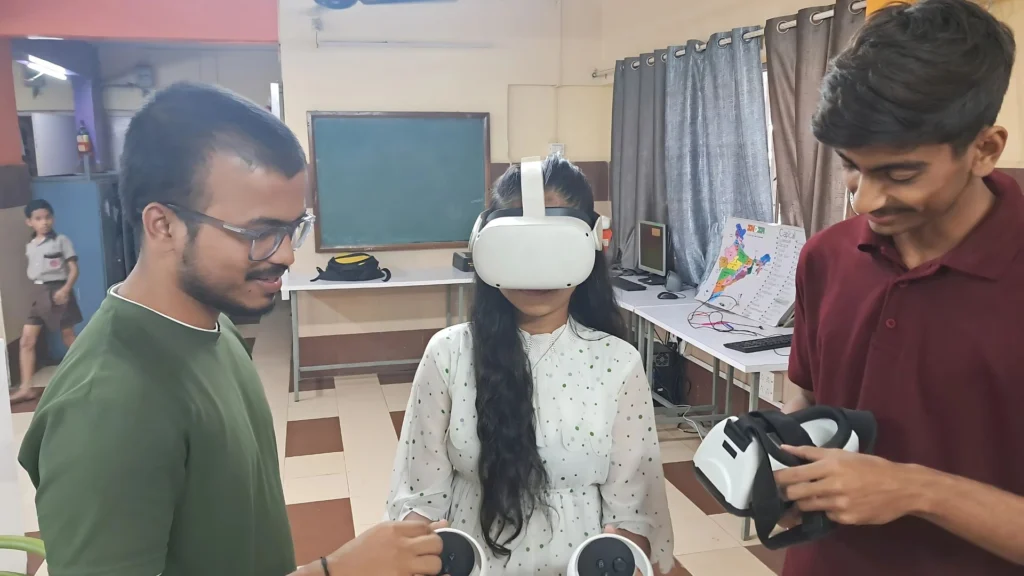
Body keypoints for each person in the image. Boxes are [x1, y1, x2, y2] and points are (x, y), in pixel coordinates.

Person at [18, 82, 443, 576]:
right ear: (163, 226)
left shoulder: (209, 325)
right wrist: (333, 571)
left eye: (293, 228)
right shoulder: (107, 405)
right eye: (259, 234)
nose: (285, 254)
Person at [776, 1, 1024, 574]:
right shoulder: (827, 256)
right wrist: (784, 466)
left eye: (900, 174)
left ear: (985, 149)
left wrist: (918, 490)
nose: (864, 201)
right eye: (851, 167)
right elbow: (809, 398)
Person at [387, 156, 674, 576]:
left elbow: (634, 512)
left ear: (590, 244)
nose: (537, 273)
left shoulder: (618, 363)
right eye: (520, 250)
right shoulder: (447, 355)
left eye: (555, 250)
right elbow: (419, 499)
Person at [11, 199, 81, 404]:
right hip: (38, 294)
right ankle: (26, 388)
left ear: (53, 218)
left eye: (48, 217)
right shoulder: (30, 245)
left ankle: (92, 373)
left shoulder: (61, 241)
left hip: (57, 290)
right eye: (38, 219)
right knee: (26, 341)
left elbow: (74, 269)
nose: (44, 222)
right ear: (29, 222)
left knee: (68, 337)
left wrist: (65, 289)